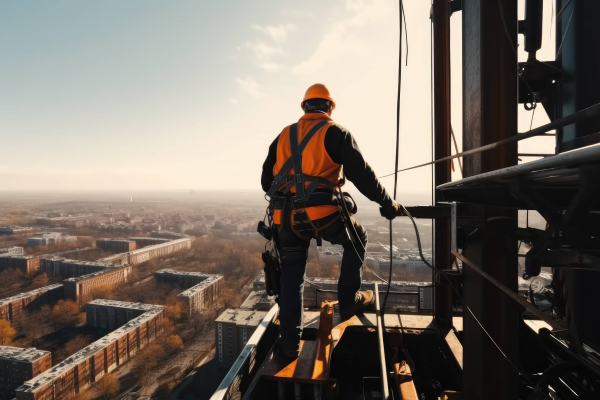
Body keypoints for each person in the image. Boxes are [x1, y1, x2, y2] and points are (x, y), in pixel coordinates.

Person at [261, 83, 400, 359]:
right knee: (357, 239)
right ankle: (348, 302)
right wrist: (388, 203)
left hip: (286, 220)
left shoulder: (283, 136)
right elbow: (363, 176)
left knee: (291, 277)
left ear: (304, 107)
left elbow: (267, 182)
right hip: (324, 215)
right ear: (330, 107)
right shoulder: (336, 132)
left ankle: (289, 346)